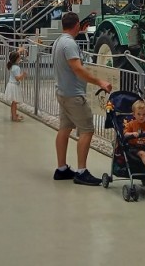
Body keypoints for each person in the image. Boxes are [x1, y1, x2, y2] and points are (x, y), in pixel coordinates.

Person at [53, 11, 112, 186]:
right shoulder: (69, 44)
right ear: (77, 25)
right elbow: (77, 68)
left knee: (64, 128)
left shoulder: (58, 41)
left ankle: (62, 168)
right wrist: (99, 81)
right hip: (73, 95)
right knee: (87, 129)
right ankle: (81, 171)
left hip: (62, 92)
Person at [5, 49, 26, 122]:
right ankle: (14, 116)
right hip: (14, 86)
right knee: (14, 102)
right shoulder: (17, 68)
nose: (20, 58)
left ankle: (13, 114)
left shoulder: (12, 66)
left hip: (11, 85)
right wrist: (23, 75)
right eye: (19, 57)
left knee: (13, 102)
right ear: (16, 59)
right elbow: (17, 78)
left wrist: (19, 50)